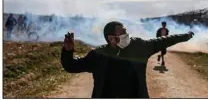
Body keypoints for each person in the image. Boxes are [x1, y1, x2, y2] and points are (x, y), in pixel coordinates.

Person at [61, 21, 194, 98]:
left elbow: (164, 40)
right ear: (111, 38)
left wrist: (185, 36)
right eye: (123, 33)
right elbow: (72, 66)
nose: (127, 36)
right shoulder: (98, 55)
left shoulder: (139, 47)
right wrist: (68, 51)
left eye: (126, 32)